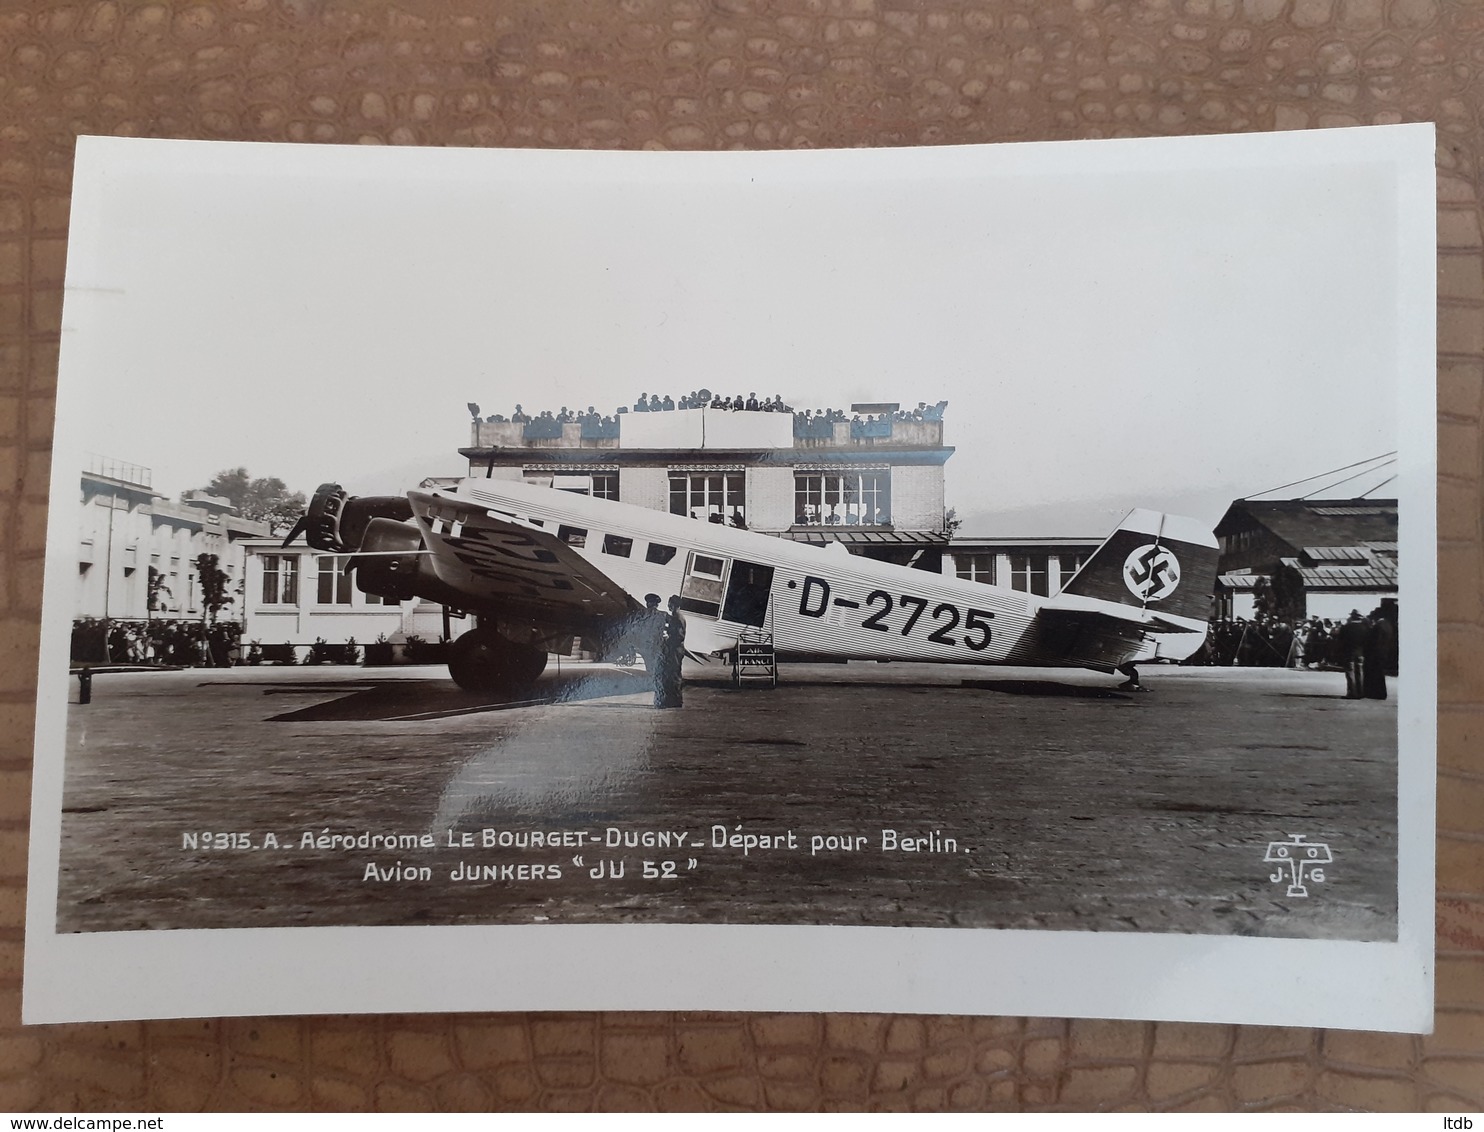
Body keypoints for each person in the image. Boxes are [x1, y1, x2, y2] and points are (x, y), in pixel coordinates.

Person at [655, 596, 686, 708]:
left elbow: (680, 636)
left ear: (675, 605)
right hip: (676, 649)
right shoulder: (676, 616)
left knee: (674, 675)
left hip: (675, 649)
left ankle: (676, 701)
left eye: (670, 604)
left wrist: (668, 638)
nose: (668, 606)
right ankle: (674, 700)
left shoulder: (677, 617)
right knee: (673, 674)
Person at [1337, 609, 1369, 698]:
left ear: (1352, 616)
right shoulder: (1365, 628)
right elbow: (1368, 642)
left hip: (1348, 652)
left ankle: (1352, 692)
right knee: (1360, 672)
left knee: (1350, 672)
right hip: (1360, 653)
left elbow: (1340, 641)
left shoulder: (1346, 627)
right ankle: (1360, 692)